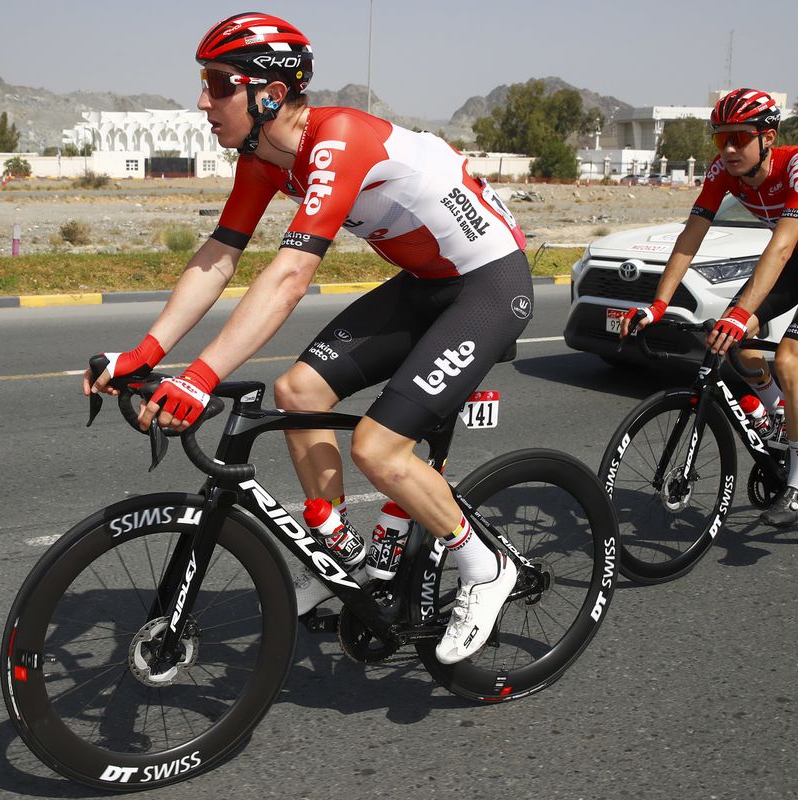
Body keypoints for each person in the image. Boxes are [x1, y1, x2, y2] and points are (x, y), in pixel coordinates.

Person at [84, 12, 532, 664]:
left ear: (267, 92)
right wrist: (149, 351)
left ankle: (485, 567)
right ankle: (339, 554)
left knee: (379, 449)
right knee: (298, 390)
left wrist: (201, 376)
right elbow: (219, 256)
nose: (203, 101)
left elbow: (291, 274)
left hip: (488, 285)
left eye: (218, 84)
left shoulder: (339, 139)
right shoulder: (264, 160)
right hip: (425, 282)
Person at [619, 88, 798, 527]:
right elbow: (690, 237)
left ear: (767, 137)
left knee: (792, 360)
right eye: (721, 139)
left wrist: (741, 313)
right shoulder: (724, 172)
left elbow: (781, 244)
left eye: (739, 137)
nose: (729, 148)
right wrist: (658, 305)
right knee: (735, 343)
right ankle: (777, 412)